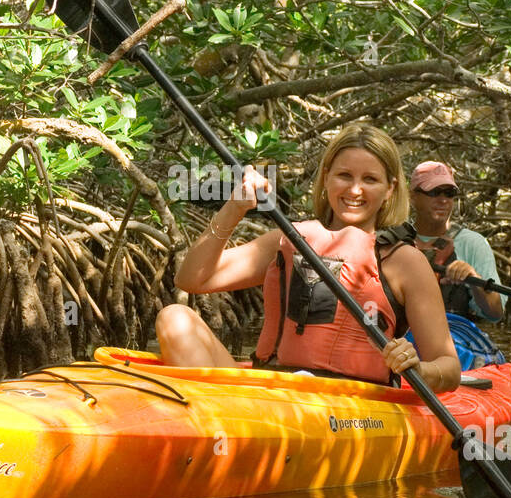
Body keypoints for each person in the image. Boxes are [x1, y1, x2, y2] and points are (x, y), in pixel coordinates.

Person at [155, 125, 462, 391]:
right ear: (326, 177)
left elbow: (449, 368)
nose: (355, 189)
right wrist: (234, 207)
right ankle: (221, 431)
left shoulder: (403, 261)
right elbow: (191, 279)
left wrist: (419, 370)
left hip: (348, 408)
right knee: (174, 317)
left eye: (370, 179)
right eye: (344, 175)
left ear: (389, 189)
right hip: (267, 395)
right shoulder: (289, 240)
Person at [407, 161, 503, 324]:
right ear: (413, 197)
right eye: (434, 192)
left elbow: (495, 313)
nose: (443, 200)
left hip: (452, 336)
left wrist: (474, 279)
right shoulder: (395, 240)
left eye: (449, 193)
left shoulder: (473, 243)